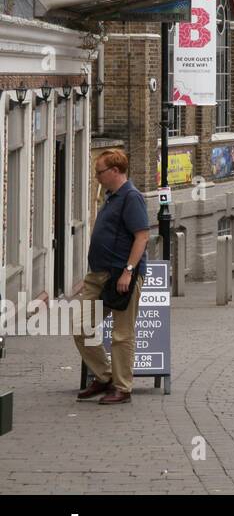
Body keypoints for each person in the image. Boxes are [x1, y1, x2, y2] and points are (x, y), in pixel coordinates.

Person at [72, 149, 150, 405]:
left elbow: (142, 236)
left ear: (115, 171)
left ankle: (122, 387)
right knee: (80, 326)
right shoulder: (111, 197)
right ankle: (105, 376)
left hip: (121, 276)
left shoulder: (131, 197)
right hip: (98, 277)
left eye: (100, 172)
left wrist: (128, 271)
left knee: (122, 334)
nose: (97, 176)